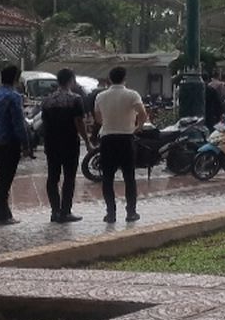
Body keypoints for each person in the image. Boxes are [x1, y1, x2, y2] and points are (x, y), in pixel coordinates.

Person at [94, 65, 148, 223]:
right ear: (125, 78)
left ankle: (110, 213)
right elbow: (143, 114)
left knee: (107, 178)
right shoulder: (132, 95)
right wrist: (138, 127)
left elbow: (98, 118)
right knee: (129, 177)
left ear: (109, 79)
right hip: (126, 138)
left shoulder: (101, 96)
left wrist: (109, 123)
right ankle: (131, 212)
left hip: (107, 139)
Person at [40, 68, 88, 223]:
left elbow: (44, 123)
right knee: (69, 177)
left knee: (52, 177)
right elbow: (79, 123)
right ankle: (65, 211)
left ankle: (55, 211)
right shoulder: (75, 99)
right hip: (69, 143)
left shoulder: (47, 100)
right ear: (71, 80)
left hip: (51, 143)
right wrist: (87, 141)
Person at [0, 65, 33, 225]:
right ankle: (2, 215)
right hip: (9, 142)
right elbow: (19, 124)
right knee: (5, 179)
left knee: (0, 179)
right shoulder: (14, 97)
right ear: (16, 79)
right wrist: (26, 144)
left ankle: (3, 212)